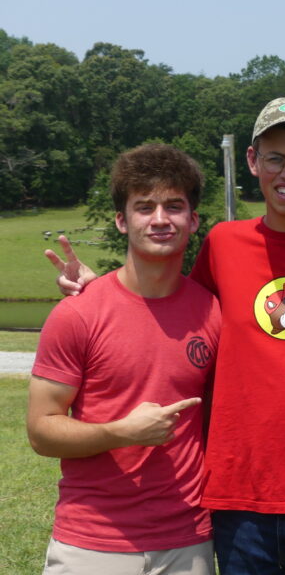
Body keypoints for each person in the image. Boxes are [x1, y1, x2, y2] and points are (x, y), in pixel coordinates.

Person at [46, 97, 285, 574]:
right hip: (239, 503)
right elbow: (165, 304)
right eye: (275, 158)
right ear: (251, 161)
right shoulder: (223, 243)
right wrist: (98, 288)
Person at [28, 143, 221, 575]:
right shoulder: (77, 314)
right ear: (121, 220)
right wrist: (121, 432)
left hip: (188, 541)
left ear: (193, 220)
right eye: (144, 206)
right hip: (92, 543)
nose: (159, 219)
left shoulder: (214, 312)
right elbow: (41, 432)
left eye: (174, 206)